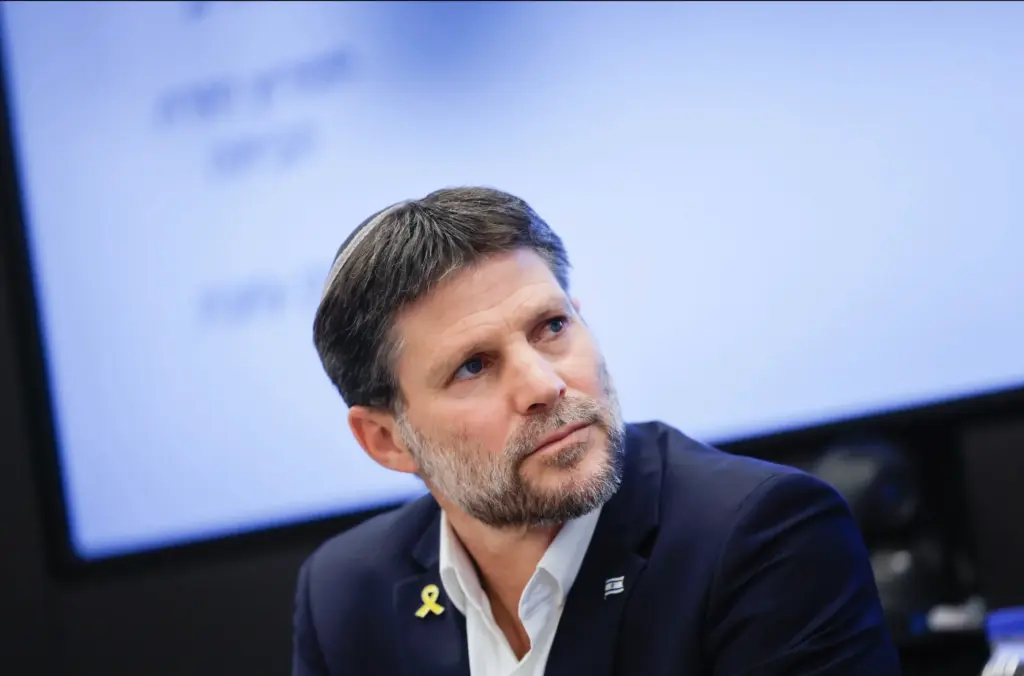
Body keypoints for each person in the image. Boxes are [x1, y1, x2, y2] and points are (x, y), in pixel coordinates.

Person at [293, 187, 901, 676]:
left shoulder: (760, 537)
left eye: (551, 327)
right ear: (387, 440)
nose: (544, 385)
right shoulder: (346, 595)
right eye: (473, 366)